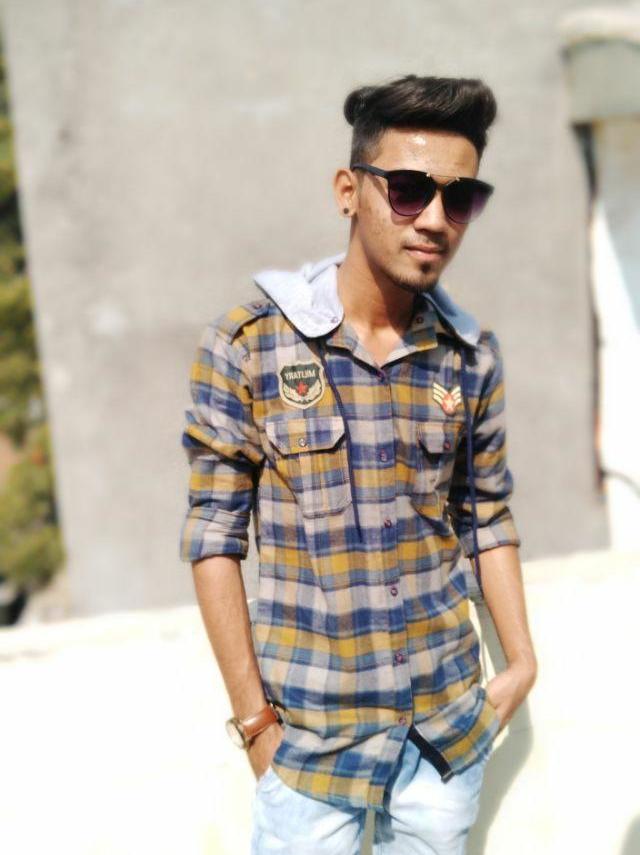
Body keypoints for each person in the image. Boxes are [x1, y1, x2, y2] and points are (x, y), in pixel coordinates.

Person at [179, 73, 538, 854]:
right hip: (310, 752)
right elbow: (213, 538)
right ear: (349, 191)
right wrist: (257, 728)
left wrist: (521, 662)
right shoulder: (249, 346)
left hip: (443, 739)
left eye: (460, 197)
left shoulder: (470, 357)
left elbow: (486, 513)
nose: (435, 218)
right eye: (408, 190)